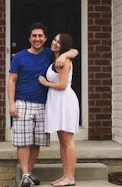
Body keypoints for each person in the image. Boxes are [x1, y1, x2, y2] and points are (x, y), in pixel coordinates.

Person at [8, 22, 78, 187]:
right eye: (34, 36)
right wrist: (11, 103)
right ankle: (27, 174)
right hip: (25, 102)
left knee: (40, 142)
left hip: (46, 104)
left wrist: (64, 56)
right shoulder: (20, 57)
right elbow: (12, 80)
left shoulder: (51, 55)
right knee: (24, 141)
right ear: (29, 38)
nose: (37, 39)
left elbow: (74, 50)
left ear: (45, 38)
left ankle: (65, 176)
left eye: (40, 36)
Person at [38, 33, 80, 187]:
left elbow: (62, 85)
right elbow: (75, 51)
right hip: (56, 102)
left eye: (59, 42)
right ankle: (65, 175)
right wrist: (64, 54)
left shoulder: (64, 61)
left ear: (64, 46)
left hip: (65, 101)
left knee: (68, 140)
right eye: (55, 40)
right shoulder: (56, 59)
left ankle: (70, 177)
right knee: (62, 142)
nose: (55, 43)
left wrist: (45, 83)